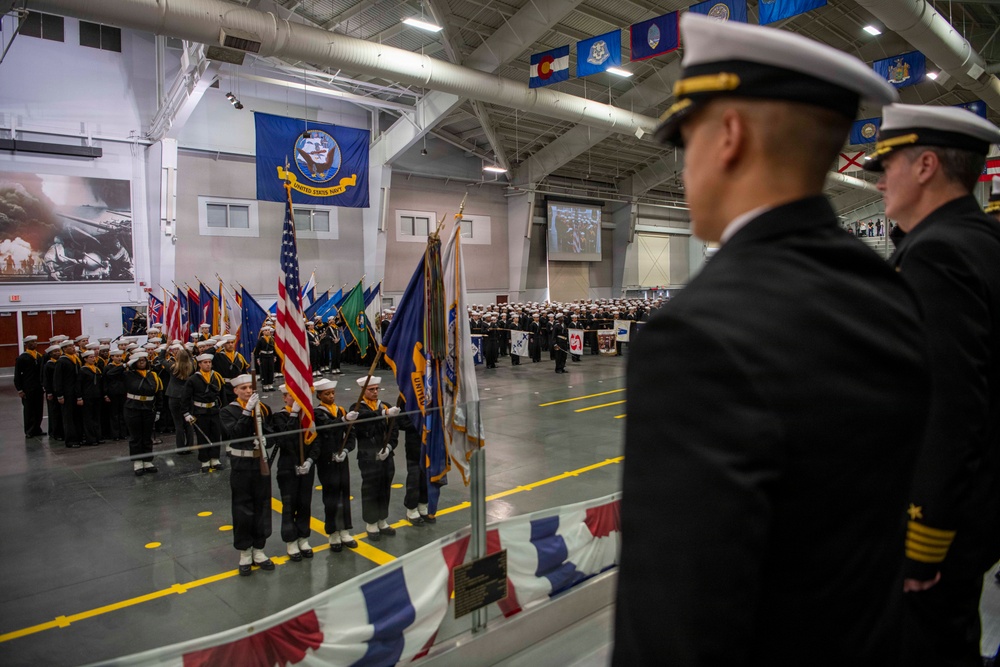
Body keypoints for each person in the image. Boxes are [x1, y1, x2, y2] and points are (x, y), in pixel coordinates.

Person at [613, 15, 930, 666]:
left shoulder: (696, 336)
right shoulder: (886, 290)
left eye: (686, 140)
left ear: (728, 135)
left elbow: (676, 623)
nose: (682, 167)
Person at [864, 103, 1000, 667]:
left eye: (887, 165)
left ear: (924, 166)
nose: (879, 181)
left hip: (938, 531)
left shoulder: (937, 254)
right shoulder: (982, 240)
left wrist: (923, 543)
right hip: (977, 512)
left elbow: (946, 407)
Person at [219, 373, 274, 575]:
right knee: (242, 508)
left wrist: (268, 438)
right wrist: (248, 411)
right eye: (243, 389)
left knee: (262, 504)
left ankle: (259, 548)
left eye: (250, 388)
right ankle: (244, 551)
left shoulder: (262, 409)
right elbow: (235, 433)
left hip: (260, 463)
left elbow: (271, 430)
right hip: (241, 464)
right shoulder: (227, 411)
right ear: (235, 391)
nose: (248, 392)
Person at [269, 382, 316, 562]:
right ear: (284, 398)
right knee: (289, 505)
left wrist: (310, 460)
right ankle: (290, 541)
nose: (295, 399)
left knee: (305, 503)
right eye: (291, 396)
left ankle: (303, 538)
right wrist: (294, 415)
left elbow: (315, 439)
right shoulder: (279, 417)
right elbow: (283, 440)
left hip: (306, 467)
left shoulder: (308, 416)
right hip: (288, 466)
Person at [312, 378, 359, 551]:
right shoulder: (317, 413)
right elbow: (327, 427)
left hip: (341, 459)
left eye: (332, 393)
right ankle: (333, 532)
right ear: (319, 396)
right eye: (327, 394)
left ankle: (345, 529)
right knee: (331, 495)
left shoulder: (340, 410)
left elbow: (350, 434)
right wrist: (345, 419)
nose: (331, 396)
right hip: (326, 460)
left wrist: (346, 450)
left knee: (344, 492)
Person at [352, 376, 400, 541]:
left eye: (376, 389)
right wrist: (384, 413)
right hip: (368, 457)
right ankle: (371, 522)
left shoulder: (385, 405)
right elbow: (365, 419)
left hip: (386, 456)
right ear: (363, 391)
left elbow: (393, 430)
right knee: (370, 489)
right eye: (371, 389)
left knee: (385, 486)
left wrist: (389, 447)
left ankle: (382, 519)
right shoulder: (357, 407)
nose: (375, 392)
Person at [184, 353, 225, 473]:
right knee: (203, 436)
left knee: (216, 435)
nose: (208, 364)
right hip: (200, 412)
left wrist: (223, 408)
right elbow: (186, 397)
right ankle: (205, 460)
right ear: (200, 364)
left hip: (214, 410)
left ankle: (215, 458)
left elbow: (221, 394)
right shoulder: (193, 379)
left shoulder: (216, 376)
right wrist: (186, 413)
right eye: (205, 362)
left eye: (209, 362)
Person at [123, 351, 162, 475]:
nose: (141, 362)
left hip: (148, 408)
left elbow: (159, 393)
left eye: (143, 360)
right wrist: (126, 364)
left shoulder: (153, 375)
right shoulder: (128, 374)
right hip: (133, 407)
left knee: (147, 435)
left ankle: (147, 460)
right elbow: (110, 373)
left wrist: (159, 410)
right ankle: (138, 462)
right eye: (139, 360)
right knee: (136, 436)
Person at [397, 397, 432, 526]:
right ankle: (411, 508)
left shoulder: (431, 390)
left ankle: (423, 504)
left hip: (429, 439)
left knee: (427, 473)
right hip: (414, 440)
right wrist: (419, 425)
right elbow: (400, 421)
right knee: (414, 474)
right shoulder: (406, 394)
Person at [53, 340, 87, 447]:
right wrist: (60, 395)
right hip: (67, 393)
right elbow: (57, 380)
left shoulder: (75, 359)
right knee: (69, 418)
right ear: (64, 349)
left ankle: (78, 437)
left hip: (76, 392)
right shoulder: (62, 361)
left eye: (73, 346)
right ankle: (70, 440)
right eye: (70, 346)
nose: (73, 348)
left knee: (77, 416)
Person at [14, 335, 45, 438]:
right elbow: (17, 375)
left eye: (35, 341)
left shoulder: (39, 356)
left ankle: (37, 428)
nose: (34, 343)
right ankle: (29, 430)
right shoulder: (22, 358)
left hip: (38, 387)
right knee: (29, 410)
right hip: (28, 388)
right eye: (31, 342)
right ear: (26, 344)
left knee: (38, 409)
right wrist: (20, 389)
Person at [77, 350, 107, 447]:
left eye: (93, 357)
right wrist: (79, 397)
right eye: (90, 357)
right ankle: (91, 438)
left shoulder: (97, 369)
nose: (93, 359)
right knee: (88, 418)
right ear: (85, 359)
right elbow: (79, 385)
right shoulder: (83, 370)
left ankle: (98, 436)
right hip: (87, 397)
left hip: (97, 396)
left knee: (96, 417)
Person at [212, 335, 248, 406]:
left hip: (237, 386)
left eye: (232, 342)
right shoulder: (218, 356)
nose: (231, 345)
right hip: (225, 386)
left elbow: (243, 372)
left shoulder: (239, 356)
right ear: (223, 344)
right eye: (228, 343)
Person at [104, 348, 127, 440]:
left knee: (122, 413)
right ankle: (115, 434)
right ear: (112, 357)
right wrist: (105, 394)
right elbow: (106, 380)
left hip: (122, 392)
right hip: (113, 393)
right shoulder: (108, 367)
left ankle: (123, 433)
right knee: (114, 414)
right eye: (117, 356)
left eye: (120, 356)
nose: (119, 358)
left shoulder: (123, 367)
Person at [42, 344, 64, 441]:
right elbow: (46, 380)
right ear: (50, 354)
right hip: (53, 392)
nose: (57, 353)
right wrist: (49, 392)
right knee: (54, 413)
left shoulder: (60, 362)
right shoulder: (49, 364)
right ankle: (55, 433)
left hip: (60, 390)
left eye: (58, 351)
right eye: (55, 352)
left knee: (60, 412)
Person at [254, 326, 276, 391]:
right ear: (263, 332)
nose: (267, 331)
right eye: (266, 330)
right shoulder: (261, 339)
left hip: (271, 356)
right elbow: (257, 350)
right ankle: (265, 385)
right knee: (264, 370)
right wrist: (257, 358)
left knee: (271, 370)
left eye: (268, 330)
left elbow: (274, 348)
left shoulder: (272, 339)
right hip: (264, 356)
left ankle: (270, 384)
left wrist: (274, 356)